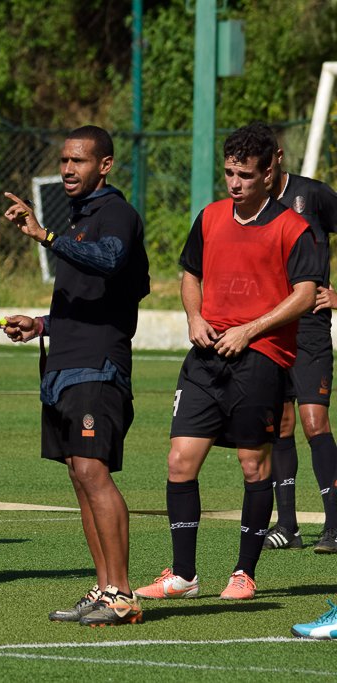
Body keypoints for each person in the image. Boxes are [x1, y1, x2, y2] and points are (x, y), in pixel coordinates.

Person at [134, 124, 322, 603]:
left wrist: (250, 329)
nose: (233, 183)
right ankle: (182, 575)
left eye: (244, 174)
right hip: (205, 355)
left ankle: (243, 572)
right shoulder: (211, 217)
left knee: (253, 465)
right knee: (180, 461)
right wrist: (195, 316)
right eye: (228, 173)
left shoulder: (292, 227)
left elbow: (305, 295)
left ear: (269, 171)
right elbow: (190, 274)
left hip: (260, 357)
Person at [1, 125, 149, 626]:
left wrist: (45, 235)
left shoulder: (117, 215)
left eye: (79, 161)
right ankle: (105, 588)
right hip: (62, 365)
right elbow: (89, 295)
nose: (67, 169)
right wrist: (40, 324)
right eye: (64, 160)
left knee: (92, 472)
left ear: (103, 165)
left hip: (98, 366)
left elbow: (111, 263)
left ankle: (124, 592)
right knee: (79, 477)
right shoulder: (80, 219)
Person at [250, 124, 337, 553]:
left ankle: (335, 525)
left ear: (277, 160)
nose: (254, 178)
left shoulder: (314, 195)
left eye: (260, 168)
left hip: (310, 328)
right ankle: (288, 526)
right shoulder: (250, 207)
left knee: (313, 420)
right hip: (269, 327)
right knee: (278, 424)